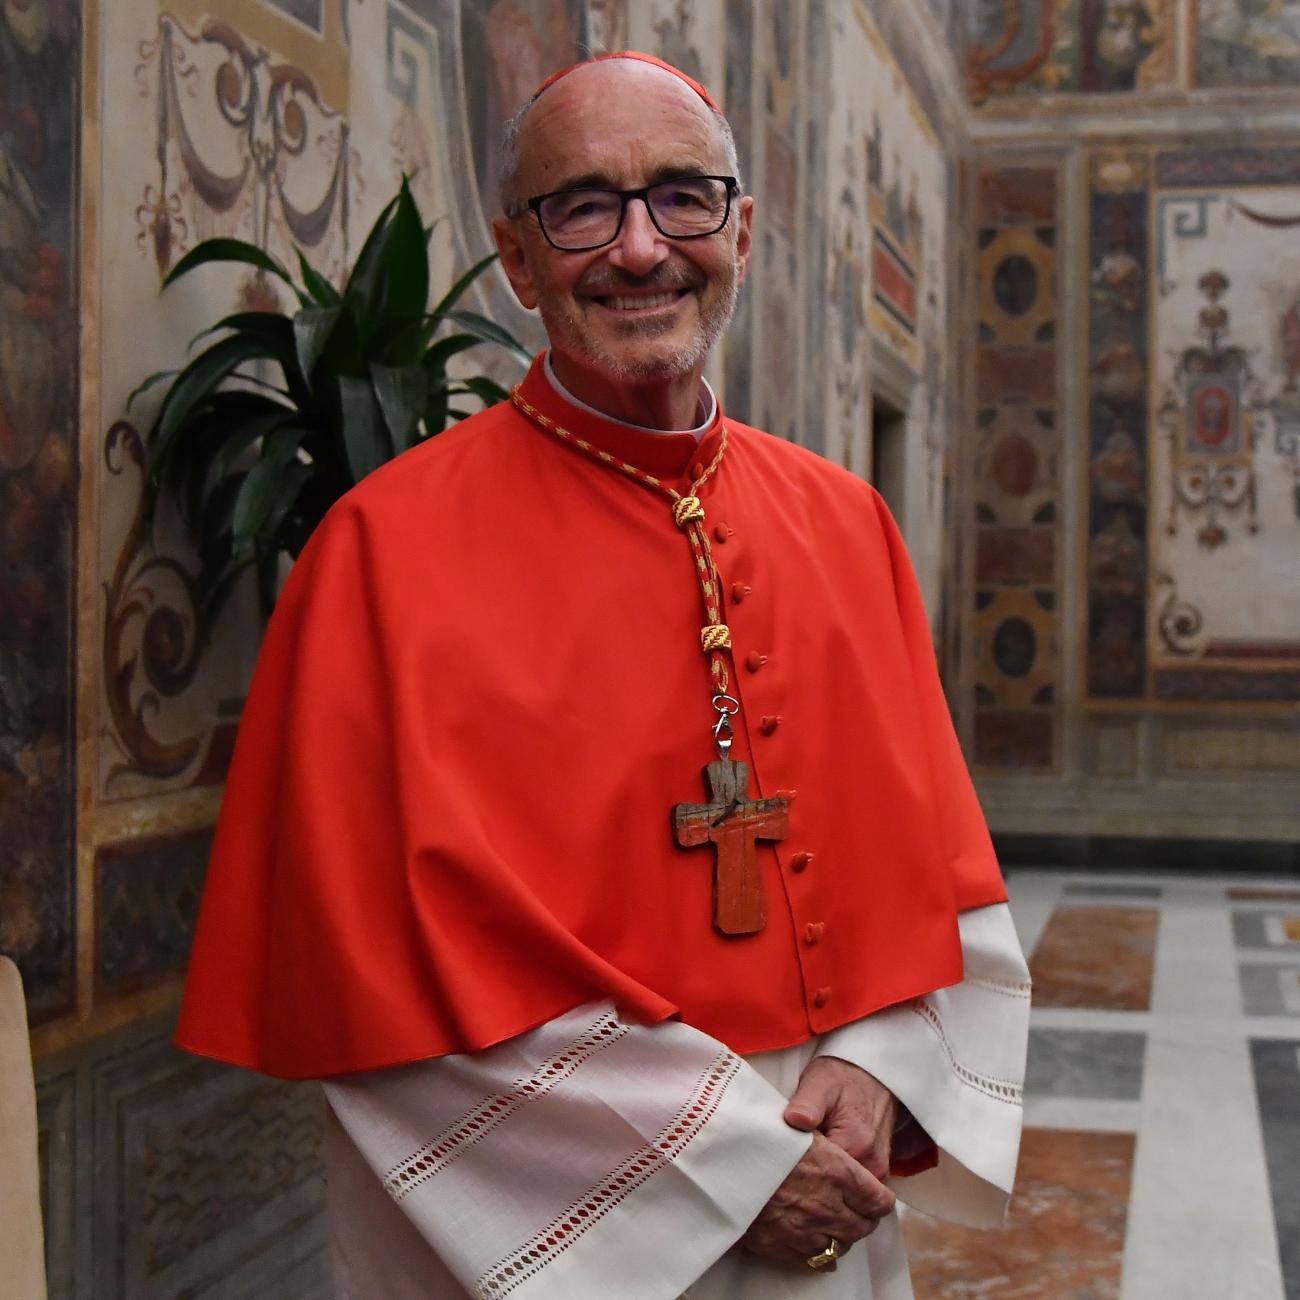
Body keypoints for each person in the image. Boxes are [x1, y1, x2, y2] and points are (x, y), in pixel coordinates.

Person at [177, 52, 1030, 1298]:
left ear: (742, 228)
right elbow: (380, 981)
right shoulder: (378, 553)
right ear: (518, 260)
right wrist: (730, 1165)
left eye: (684, 197)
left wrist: (880, 1064)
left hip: (825, 1166)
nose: (640, 248)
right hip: (545, 1218)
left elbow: (936, 872)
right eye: (583, 206)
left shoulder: (848, 524)